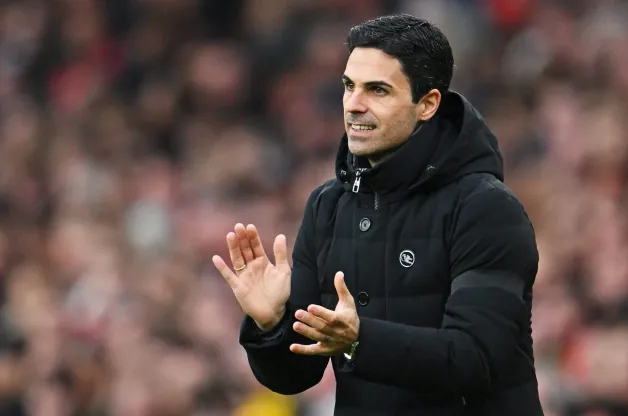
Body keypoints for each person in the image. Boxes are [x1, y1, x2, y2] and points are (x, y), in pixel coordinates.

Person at [212, 14, 543, 415]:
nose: (354, 104)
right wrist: (272, 327)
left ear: (427, 104)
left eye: (378, 90)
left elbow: (475, 359)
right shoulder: (327, 206)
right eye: (349, 86)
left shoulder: (485, 209)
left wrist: (358, 339)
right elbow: (296, 376)